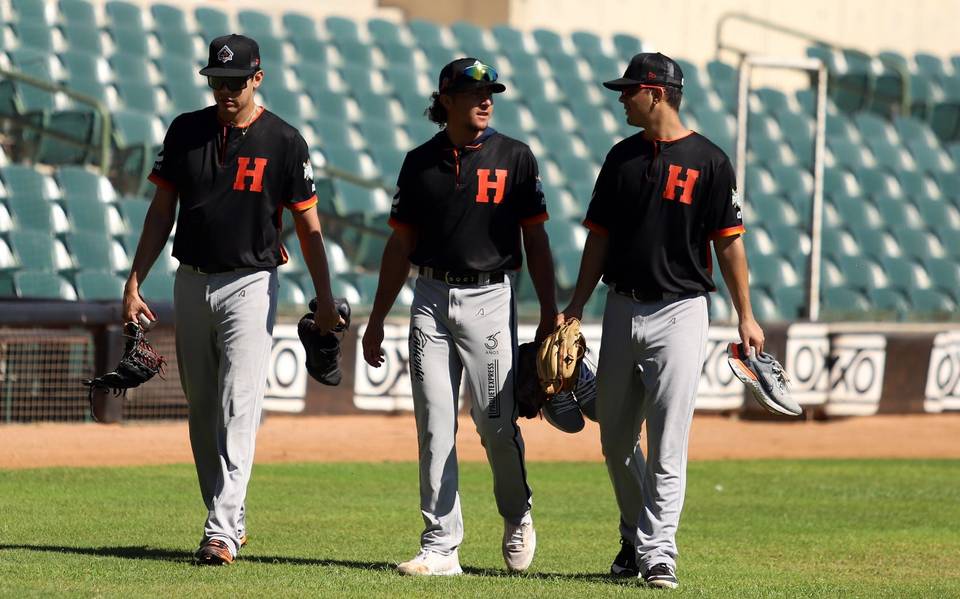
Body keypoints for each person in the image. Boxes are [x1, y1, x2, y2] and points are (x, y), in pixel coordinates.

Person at [121, 34, 342, 566]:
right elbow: (159, 211)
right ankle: (230, 517)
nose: (225, 89)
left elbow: (309, 228)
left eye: (235, 80)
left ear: (257, 78)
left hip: (251, 282)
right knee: (201, 411)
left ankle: (218, 530)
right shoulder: (186, 130)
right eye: (217, 80)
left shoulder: (285, 141)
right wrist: (134, 282)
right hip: (191, 280)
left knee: (238, 406)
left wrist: (326, 296)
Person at [558, 52, 763, 589]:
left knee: (668, 437)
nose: (622, 98)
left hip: (681, 311)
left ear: (657, 93)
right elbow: (597, 239)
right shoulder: (621, 158)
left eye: (629, 90)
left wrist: (747, 315)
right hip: (621, 306)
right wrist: (577, 305)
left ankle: (658, 551)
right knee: (615, 440)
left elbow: (729, 246)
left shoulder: (711, 161)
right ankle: (634, 535)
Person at [361, 58, 557, 576]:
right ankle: (440, 546)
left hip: (491, 297)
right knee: (433, 424)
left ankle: (517, 513)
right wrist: (378, 318)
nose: (486, 100)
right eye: (474, 93)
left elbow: (536, 239)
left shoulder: (516, 157)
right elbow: (400, 244)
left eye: (490, 91)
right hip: (428, 295)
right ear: (446, 100)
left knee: (494, 422)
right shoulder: (419, 163)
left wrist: (552, 314)